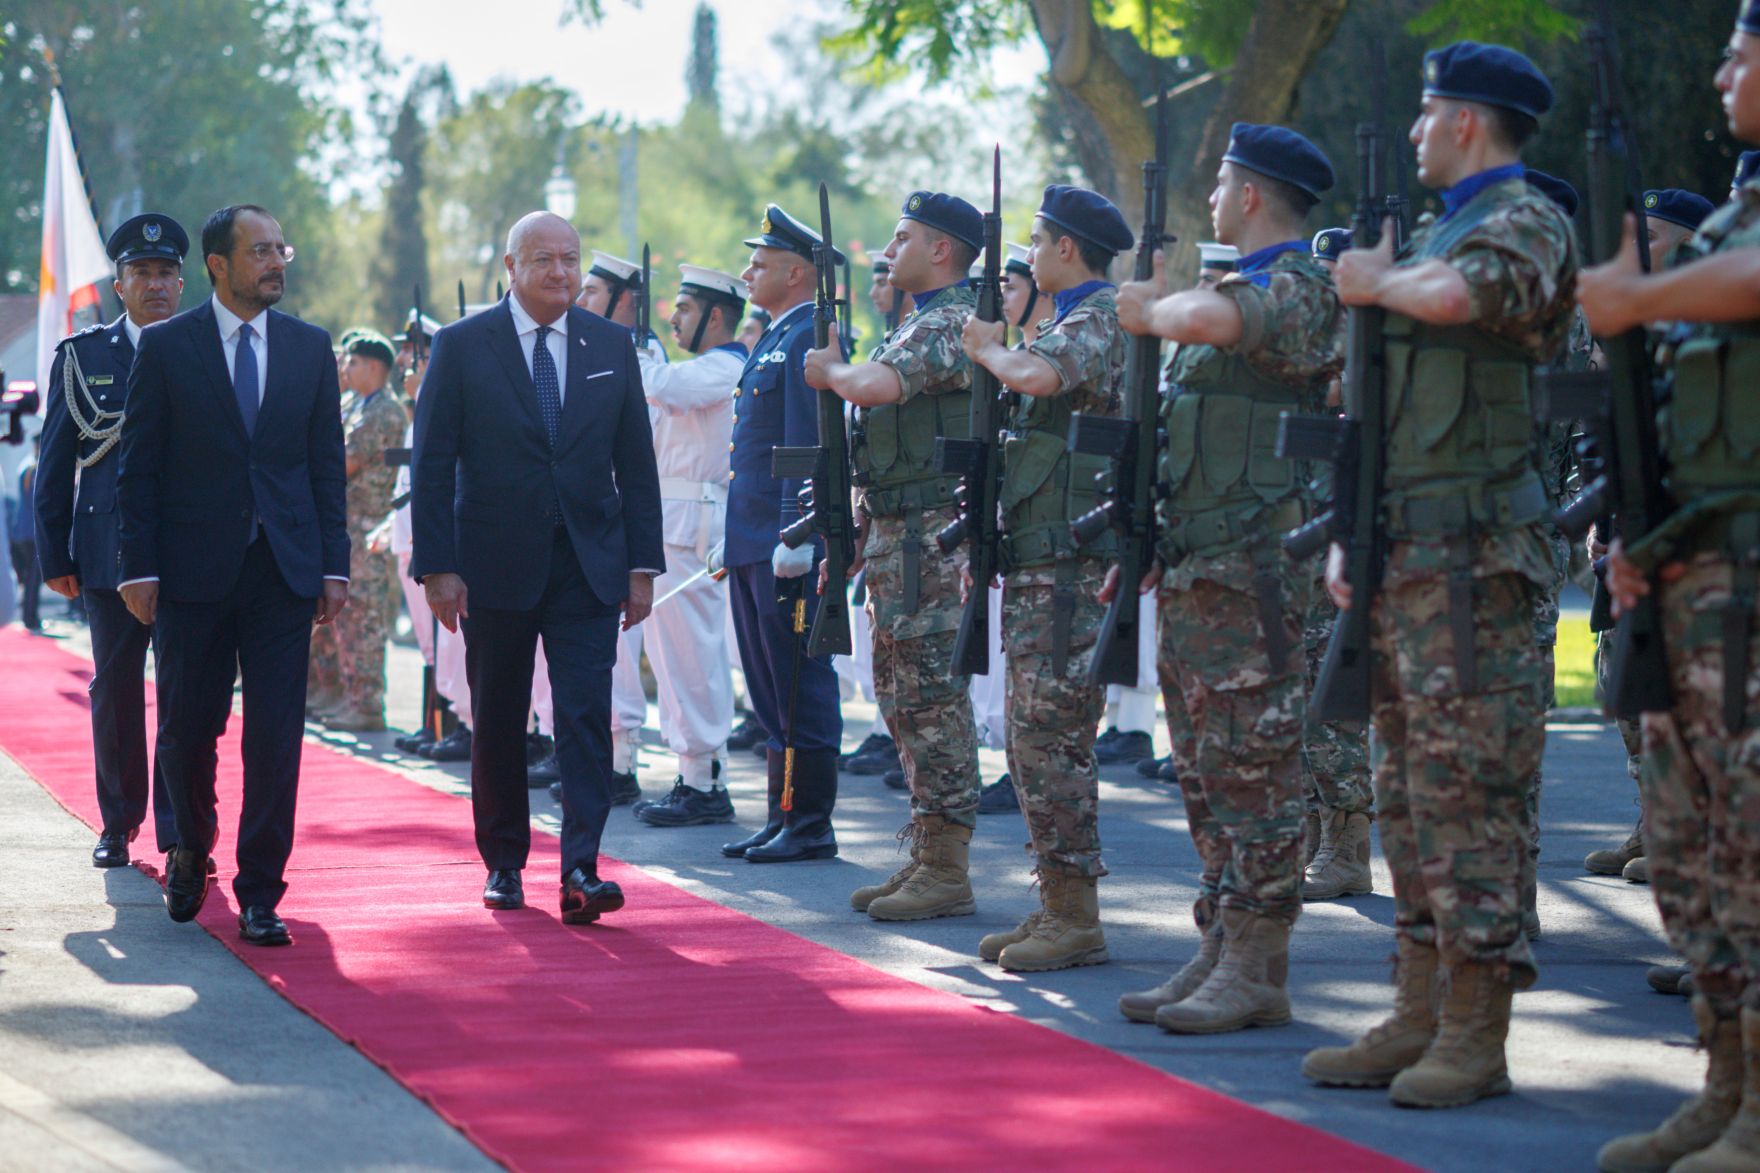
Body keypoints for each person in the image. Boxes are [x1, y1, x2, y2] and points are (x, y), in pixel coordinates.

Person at [1297, 43, 1577, 1107]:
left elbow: (1469, 299)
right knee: (1407, 800)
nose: (1415, 134)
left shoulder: (1519, 222)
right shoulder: (1426, 236)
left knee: (1472, 802)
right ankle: (1415, 1004)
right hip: (1401, 554)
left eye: (1425, 116)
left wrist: (1376, 281)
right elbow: (1368, 411)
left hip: (1476, 563)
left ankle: (1475, 1026)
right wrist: (1346, 537)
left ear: (1465, 121)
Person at [1113, 124, 1345, 1033]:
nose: (1211, 195)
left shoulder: (1300, 289)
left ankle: (1259, 961)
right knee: (1207, 767)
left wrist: (1154, 307)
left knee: (1258, 766)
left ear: (1250, 196)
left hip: (1258, 571)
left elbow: (1219, 321)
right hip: (1199, 564)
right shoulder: (1225, 292)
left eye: (1220, 182)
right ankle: (1219, 938)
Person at [1581, 7, 1760, 1164]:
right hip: (1688, 575)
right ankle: (1725, 1082)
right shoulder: (1733, 213)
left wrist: (1642, 293)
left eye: (1743, 53)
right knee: (1693, 851)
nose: (1719, 71)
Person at [411, 211, 663, 924]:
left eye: (570, 258)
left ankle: (582, 864)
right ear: (511, 265)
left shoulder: (610, 344)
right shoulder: (462, 347)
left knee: (586, 714)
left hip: (589, 565)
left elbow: (635, 465)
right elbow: (432, 464)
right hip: (493, 565)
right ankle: (503, 862)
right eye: (545, 258)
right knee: (498, 717)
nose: (560, 271)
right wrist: (437, 567)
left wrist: (642, 565)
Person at [117, 204, 351, 947]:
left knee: (277, 734)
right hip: (190, 572)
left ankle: (261, 890)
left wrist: (333, 565)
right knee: (188, 724)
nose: (277, 261)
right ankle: (188, 844)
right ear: (218, 265)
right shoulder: (166, 348)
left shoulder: (311, 350)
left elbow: (324, 469)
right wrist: (137, 567)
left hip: (283, 570)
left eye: (281, 247)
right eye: (260, 251)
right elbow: (139, 469)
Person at [960, 184, 1130, 971]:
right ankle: (1059, 902)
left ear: (1067, 248)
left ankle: (1077, 913)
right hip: (1040, 561)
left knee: (1052, 737)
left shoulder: (1098, 320)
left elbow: (1039, 379)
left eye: (1035, 239)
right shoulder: (1064, 320)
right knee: (1033, 737)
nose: (1026, 252)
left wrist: (990, 349)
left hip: (1071, 568)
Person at [805, 190, 983, 921]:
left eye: (903, 236)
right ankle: (927, 851)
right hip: (895, 531)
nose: (889, 248)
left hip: (930, 539)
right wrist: (853, 526)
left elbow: (876, 389)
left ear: (941, 249)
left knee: (931, 700)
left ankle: (948, 866)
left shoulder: (955, 322)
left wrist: (832, 370)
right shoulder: (916, 322)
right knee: (901, 697)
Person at [35, 213, 186, 868]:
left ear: (183, 283)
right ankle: (118, 822)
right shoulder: (84, 357)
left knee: (186, 694)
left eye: (165, 273)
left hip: (191, 552)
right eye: (141, 273)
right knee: (117, 690)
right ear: (118, 285)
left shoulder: (207, 351)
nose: (154, 284)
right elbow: (55, 461)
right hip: (106, 554)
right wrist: (53, 553)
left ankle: (180, 831)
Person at [716, 203, 846, 864]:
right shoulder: (775, 336)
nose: (748, 272)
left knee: (800, 682)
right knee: (770, 686)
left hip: (783, 540)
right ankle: (780, 815)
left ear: (797, 273)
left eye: (760, 263)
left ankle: (809, 822)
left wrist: (800, 533)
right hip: (752, 536)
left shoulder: (807, 338)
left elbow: (808, 443)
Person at [626, 264, 744, 828]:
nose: (674, 317)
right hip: (671, 520)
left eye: (686, 309)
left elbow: (663, 387)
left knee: (692, 654)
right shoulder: (696, 368)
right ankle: (692, 773)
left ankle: (705, 781)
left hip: (692, 520)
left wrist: (641, 353)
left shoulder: (725, 366)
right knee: (672, 656)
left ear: (716, 316)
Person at [579, 249, 665, 792]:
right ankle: (605, 758)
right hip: (602, 520)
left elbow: (636, 454)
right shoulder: (591, 348)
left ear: (624, 300)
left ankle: (621, 762)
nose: (581, 298)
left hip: (626, 521)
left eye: (593, 291)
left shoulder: (640, 355)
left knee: (625, 653)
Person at [305, 330, 407, 732]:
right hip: (346, 528)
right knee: (340, 623)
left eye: (352, 361)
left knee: (363, 620)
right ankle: (342, 694)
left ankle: (366, 703)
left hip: (368, 530)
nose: (345, 368)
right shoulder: (354, 404)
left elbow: (340, 462)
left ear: (374, 367)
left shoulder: (385, 412)